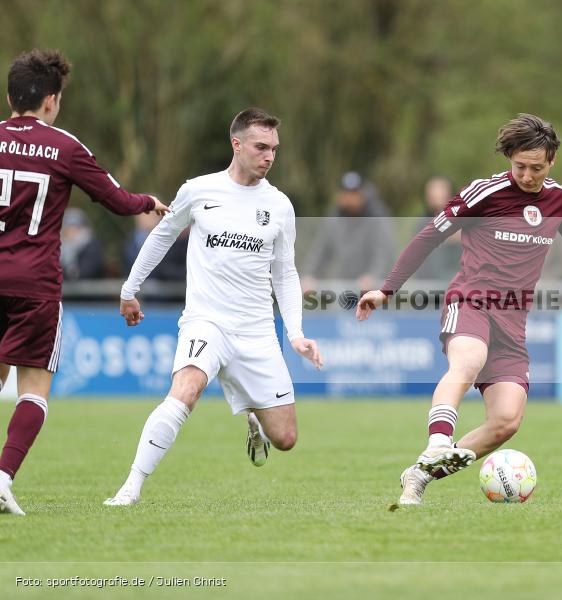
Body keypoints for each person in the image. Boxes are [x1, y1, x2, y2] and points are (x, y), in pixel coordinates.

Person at [356, 114, 562, 505]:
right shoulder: (484, 193)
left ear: (552, 162)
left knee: (506, 421)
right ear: (510, 159)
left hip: (513, 320)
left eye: (536, 168)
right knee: (467, 361)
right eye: (520, 166)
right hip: (471, 301)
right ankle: (437, 443)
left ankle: (421, 474)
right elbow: (428, 236)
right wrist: (387, 290)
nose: (527, 175)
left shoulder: (561, 200)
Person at [103, 108, 323, 507]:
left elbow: (285, 273)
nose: (269, 156)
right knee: (184, 391)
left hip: (256, 331)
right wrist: (129, 289)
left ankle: (253, 415)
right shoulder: (198, 190)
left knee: (286, 439)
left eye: (274, 148)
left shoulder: (279, 205)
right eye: (261, 147)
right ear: (236, 145)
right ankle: (130, 487)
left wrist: (295, 334)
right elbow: (161, 237)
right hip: (207, 321)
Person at [0, 49, 168, 516]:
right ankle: (2, 478)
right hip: (34, 283)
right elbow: (114, 198)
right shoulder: (64, 146)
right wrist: (146, 202)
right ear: (51, 101)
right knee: (34, 387)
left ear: (11, 96)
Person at [301, 171, 394, 293]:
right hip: (342, 288)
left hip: (374, 291)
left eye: (354, 192)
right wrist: (310, 275)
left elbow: (383, 253)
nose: (351, 198)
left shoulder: (377, 217)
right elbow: (321, 250)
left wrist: (373, 277)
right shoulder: (334, 218)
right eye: (347, 192)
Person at [415, 175, 462, 283]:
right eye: (432, 190)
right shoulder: (422, 223)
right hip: (427, 285)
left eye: (440, 189)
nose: (435, 193)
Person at [60, 207, 105, 280]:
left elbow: (90, 268)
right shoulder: (59, 246)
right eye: (68, 228)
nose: (71, 231)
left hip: (89, 289)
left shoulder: (91, 245)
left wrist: (73, 273)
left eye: (75, 227)